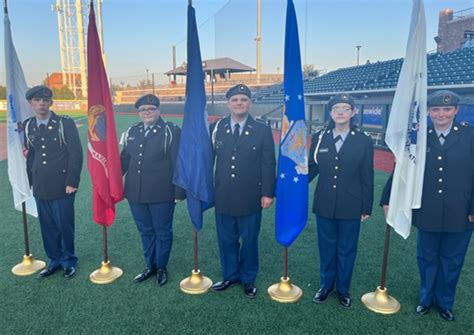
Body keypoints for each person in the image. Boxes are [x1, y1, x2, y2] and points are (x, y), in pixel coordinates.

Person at [381, 90, 474, 321]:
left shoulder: (470, 136)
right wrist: (388, 198)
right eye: (435, 109)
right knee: (427, 258)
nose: (441, 114)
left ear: (456, 110)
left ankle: (444, 303)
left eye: (447, 109)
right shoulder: (419, 137)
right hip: (427, 208)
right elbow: (403, 168)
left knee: (452, 260)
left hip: (461, 212)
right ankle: (425, 299)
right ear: (429, 112)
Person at [209, 84, 276, 298]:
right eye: (235, 99)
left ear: (250, 103)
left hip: (250, 196)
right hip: (223, 195)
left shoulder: (262, 129)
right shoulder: (216, 127)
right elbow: (207, 161)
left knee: (249, 241)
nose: (239, 103)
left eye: (244, 99)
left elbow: (268, 163)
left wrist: (267, 193)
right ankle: (230, 275)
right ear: (228, 103)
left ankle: (248, 278)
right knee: (226, 239)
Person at [309, 93, 374, 308]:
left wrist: (366, 206)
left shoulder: (363, 140)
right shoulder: (319, 138)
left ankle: (343, 289)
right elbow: (312, 168)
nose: (340, 112)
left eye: (345, 108)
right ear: (330, 113)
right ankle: (326, 285)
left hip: (351, 204)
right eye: (336, 108)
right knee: (327, 247)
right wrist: (293, 180)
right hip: (325, 202)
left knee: (347, 249)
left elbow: (367, 175)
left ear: (353, 112)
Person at [120, 94, 185, 286]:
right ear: (138, 113)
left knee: (162, 231)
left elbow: (178, 163)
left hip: (161, 193)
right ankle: (150, 266)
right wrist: (112, 181)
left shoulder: (170, 131)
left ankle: (161, 267)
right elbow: (125, 159)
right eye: (142, 110)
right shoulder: (133, 130)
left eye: (151, 109)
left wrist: (179, 192)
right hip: (135, 192)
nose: (146, 113)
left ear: (159, 110)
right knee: (145, 231)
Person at [23, 85, 83, 279]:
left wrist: (72, 181)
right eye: (37, 100)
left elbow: (76, 153)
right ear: (31, 103)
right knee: (47, 225)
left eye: (45, 100)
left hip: (62, 184)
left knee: (64, 224)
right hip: (40, 184)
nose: (41, 103)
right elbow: (31, 155)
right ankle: (54, 260)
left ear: (50, 103)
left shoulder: (64, 123)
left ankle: (68, 260)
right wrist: (30, 182)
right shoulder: (28, 125)